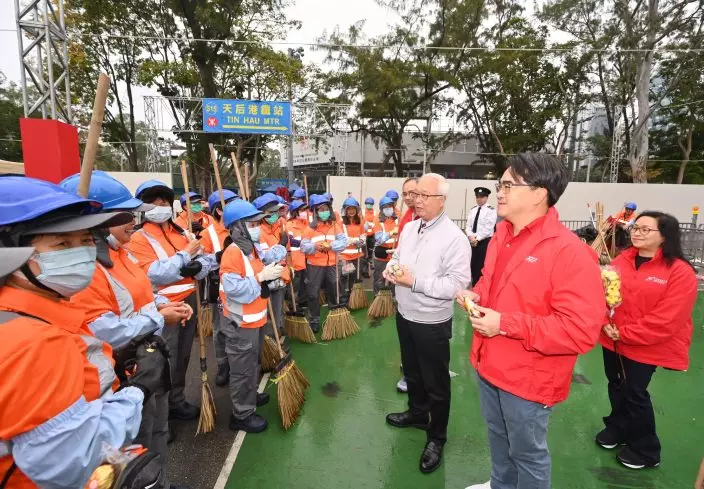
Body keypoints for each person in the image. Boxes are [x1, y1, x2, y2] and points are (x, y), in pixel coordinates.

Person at [0, 176, 165, 488]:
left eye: (86, 239)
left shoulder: (36, 312)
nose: (82, 253)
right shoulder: (33, 341)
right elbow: (75, 458)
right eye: (62, 244)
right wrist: (138, 390)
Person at [457, 153, 605, 489]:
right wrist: (475, 296)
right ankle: (501, 485)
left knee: (527, 454)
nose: (500, 192)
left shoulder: (569, 251)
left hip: (529, 377)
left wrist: (505, 324)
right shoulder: (502, 235)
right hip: (489, 363)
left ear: (540, 193)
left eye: (509, 185)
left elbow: (580, 331)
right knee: (498, 438)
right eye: (500, 185)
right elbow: (491, 282)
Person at [60, 172, 192, 488]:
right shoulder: (87, 271)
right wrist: (160, 318)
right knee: (136, 441)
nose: (133, 222)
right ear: (97, 222)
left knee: (158, 428)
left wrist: (165, 304)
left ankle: (160, 482)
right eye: (125, 216)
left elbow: (145, 291)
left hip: (148, 357)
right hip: (123, 372)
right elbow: (103, 329)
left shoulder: (123, 253)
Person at [383, 173, 472, 474]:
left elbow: (457, 285)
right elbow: (398, 256)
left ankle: (437, 437)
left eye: (424, 195)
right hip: (405, 313)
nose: (416, 200)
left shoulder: (455, 238)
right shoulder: (410, 227)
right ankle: (417, 413)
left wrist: (414, 281)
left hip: (431, 321)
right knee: (412, 371)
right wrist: (391, 268)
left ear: (442, 200)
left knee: (436, 383)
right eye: (414, 194)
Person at [597, 211, 698, 470]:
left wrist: (627, 333)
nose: (637, 233)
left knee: (634, 392)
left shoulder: (679, 271)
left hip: (647, 345)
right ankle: (618, 428)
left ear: (664, 236)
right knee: (616, 385)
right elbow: (603, 295)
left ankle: (645, 449)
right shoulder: (621, 260)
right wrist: (604, 322)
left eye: (645, 229)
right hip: (612, 338)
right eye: (635, 228)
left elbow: (669, 317)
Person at [129, 180, 218, 422]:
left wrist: (200, 265)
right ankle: (160, 415)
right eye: (153, 202)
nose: (159, 206)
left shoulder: (182, 233)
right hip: (162, 307)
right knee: (163, 359)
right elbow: (153, 273)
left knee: (183, 356)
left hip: (189, 302)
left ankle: (176, 400)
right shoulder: (139, 238)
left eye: (164, 201)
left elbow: (204, 261)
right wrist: (184, 258)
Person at [219, 199, 285, 433]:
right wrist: (261, 277)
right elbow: (235, 289)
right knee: (242, 370)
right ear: (238, 228)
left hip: (255, 320)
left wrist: (270, 274)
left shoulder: (252, 249)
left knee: (252, 363)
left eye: (258, 223)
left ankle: (250, 396)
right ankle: (242, 414)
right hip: (240, 324)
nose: (258, 227)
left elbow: (262, 267)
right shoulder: (233, 253)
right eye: (253, 224)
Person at [200, 189, 239, 387]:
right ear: (218, 210)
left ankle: (239, 363)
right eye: (228, 204)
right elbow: (200, 264)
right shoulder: (207, 234)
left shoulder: (241, 227)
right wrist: (217, 258)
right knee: (220, 330)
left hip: (241, 286)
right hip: (218, 286)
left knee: (240, 326)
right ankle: (223, 365)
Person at [300, 194, 348, 333]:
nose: (324, 212)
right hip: (314, 266)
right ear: (315, 212)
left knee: (334, 290)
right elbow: (303, 247)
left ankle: (334, 317)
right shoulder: (310, 229)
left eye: (326, 209)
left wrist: (331, 246)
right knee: (313, 294)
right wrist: (315, 246)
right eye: (321, 210)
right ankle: (314, 319)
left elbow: (343, 242)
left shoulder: (335, 226)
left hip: (332, 264)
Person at [395, 177, 420, 394]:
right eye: (405, 194)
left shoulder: (427, 219)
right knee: (406, 334)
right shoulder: (407, 217)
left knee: (421, 336)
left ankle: (419, 374)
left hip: (421, 289)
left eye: (413, 192)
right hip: (403, 287)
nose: (409, 197)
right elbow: (400, 248)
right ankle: (408, 370)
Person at [253, 193, 290, 336]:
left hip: (280, 276)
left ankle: (279, 335)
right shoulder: (257, 232)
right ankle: (270, 340)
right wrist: (281, 245)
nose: (275, 215)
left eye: (276, 211)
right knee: (268, 315)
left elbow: (285, 255)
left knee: (278, 311)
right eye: (271, 212)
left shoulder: (278, 227)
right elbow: (265, 258)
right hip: (266, 279)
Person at [466, 186, 497, 286]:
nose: (479, 199)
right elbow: (468, 226)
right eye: (477, 197)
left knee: (481, 268)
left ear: (486, 197)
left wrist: (477, 239)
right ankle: (474, 287)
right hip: (472, 242)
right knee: (472, 266)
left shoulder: (491, 211)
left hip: (484, 243)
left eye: (482, 197)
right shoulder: (473, 210)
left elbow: (488, 228)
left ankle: (481, 289)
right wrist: (470, 237)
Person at [340, 197, 366, 299]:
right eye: (349, 209)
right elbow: (343, 239)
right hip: (345, 257)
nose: (351, 211)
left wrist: (362, 241)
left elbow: (363, 235)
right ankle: (342, 297)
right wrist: (355, 241)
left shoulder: (360, 222)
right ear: (345, 210)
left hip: (357, 256)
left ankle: (353, 297)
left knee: (354, 278)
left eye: (353, 209)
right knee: (343, 278)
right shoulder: (341, 223)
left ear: (356, 210)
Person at [372, 196, 398, 294]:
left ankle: (391, 298)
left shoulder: (397, 220)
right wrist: (390, 233)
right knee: (380, 278)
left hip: (394, 255)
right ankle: (378, 296)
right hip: (381, 255)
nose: (388, 209)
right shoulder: (377, 220)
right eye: (386, 207)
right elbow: (379, 239)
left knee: (393, 278)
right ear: (381, 209)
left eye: (390, 207)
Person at [362, 197, 376, 278]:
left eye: (371, 204)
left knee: (370, 252)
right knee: (364, 253)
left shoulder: (375, 213)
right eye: (368, 203)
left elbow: (375, 223)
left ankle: (369, 265)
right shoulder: (362, 212)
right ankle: (364, 269)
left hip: (371, 235)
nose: (369, 205)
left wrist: (371, 225)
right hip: (364, 235)